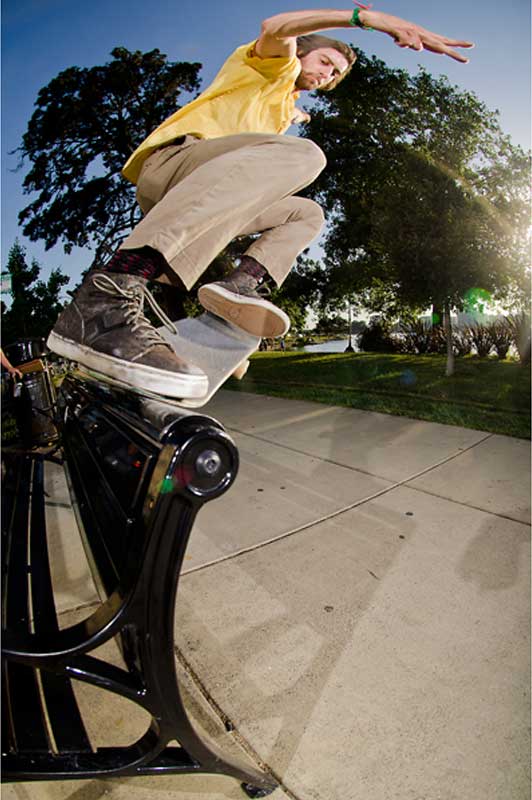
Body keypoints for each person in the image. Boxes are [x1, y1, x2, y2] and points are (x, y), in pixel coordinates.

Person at [47, 6, 473, 398]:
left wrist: (226, 339)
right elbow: (276, 27)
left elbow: (241, 177)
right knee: (306, 156)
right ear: (303, 50)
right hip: (176, 166)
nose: (328, 75)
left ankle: (235, 295)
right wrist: (369, 20)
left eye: (336, 74)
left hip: (200, 196)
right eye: (326, 61)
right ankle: (107, 294)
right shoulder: (273, 62)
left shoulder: (283, 106)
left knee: (306, 214)